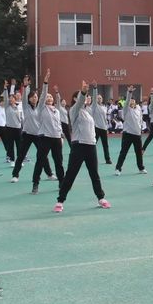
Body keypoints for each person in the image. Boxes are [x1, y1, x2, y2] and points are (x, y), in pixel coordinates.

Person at [54, 80, 111, 213]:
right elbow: (80, 101)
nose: (87, 98)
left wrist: (94, 89)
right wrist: (84, 91)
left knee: (94, 173)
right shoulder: (74, 110)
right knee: (71, 174)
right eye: (85, 96)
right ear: (76, 98)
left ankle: (101, 198)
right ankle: (60, 200)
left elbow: (94, 103)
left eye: (88, 96)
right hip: (78, 146)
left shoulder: (89, 111)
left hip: (91, 146)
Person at [12, 76, 54, 186]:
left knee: (43, 156)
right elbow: (25, 96)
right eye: (33, 97)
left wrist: (45, 83)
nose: (35, 98)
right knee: (21, 155)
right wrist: (25, 86)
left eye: (36, 96)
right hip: (27, 135)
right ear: (29, 99)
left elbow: (44, 95)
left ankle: (49, 174)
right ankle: (15, 175)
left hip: (38, 135)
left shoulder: (40, 107)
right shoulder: (26, 107)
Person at [32, 69, 66, 194]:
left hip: (56, 138)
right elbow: (43, 95)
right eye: (47, 96)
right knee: (40, 161)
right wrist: (46, 82)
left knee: (59, 162)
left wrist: (61, 136)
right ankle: (35, 184)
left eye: (51, 96)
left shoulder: (56, 110)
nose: (49, 97)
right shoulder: (41, 108)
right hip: (44, 138)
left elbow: (58, 125)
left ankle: (62, 183)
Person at [115, 85, 146, 175]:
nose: (132, 101)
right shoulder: (126, 109)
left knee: (138, 153)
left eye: (133, 100)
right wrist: (129, 92)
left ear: (135, 102)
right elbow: (127, 100)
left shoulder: (139, 109)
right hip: (127, 134)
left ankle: (141, 168)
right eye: (130, 100)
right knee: (123, 152)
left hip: (137, 134)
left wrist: (140, 129)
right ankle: (118, 168)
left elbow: (140, 119)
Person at [3, 79, 22, 166]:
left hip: (18, 128)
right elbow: (6, 97)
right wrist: (5, 88)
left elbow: (21, 118)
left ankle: (19, 160)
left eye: (12, 99)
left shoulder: (18, 107)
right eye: (9, 99)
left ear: (15, 100)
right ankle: (12, 160)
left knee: (19, 145)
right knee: (10, 145)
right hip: (9, 128)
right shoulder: (7, 107)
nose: (10, 100)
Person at [91, 91, 113, 165]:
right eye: (98, 98)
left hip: (104, 128)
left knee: (105, 145)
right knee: (93, 144)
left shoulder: (104, 107)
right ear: (95, 99)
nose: (99, 99)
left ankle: (108, 159)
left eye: (100, 98)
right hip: (96, 128)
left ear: (102, 99)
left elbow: (105, 118)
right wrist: (95, 88)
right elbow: (94, 98)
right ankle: (90, 159)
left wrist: (106, 128)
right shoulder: (94, 106)